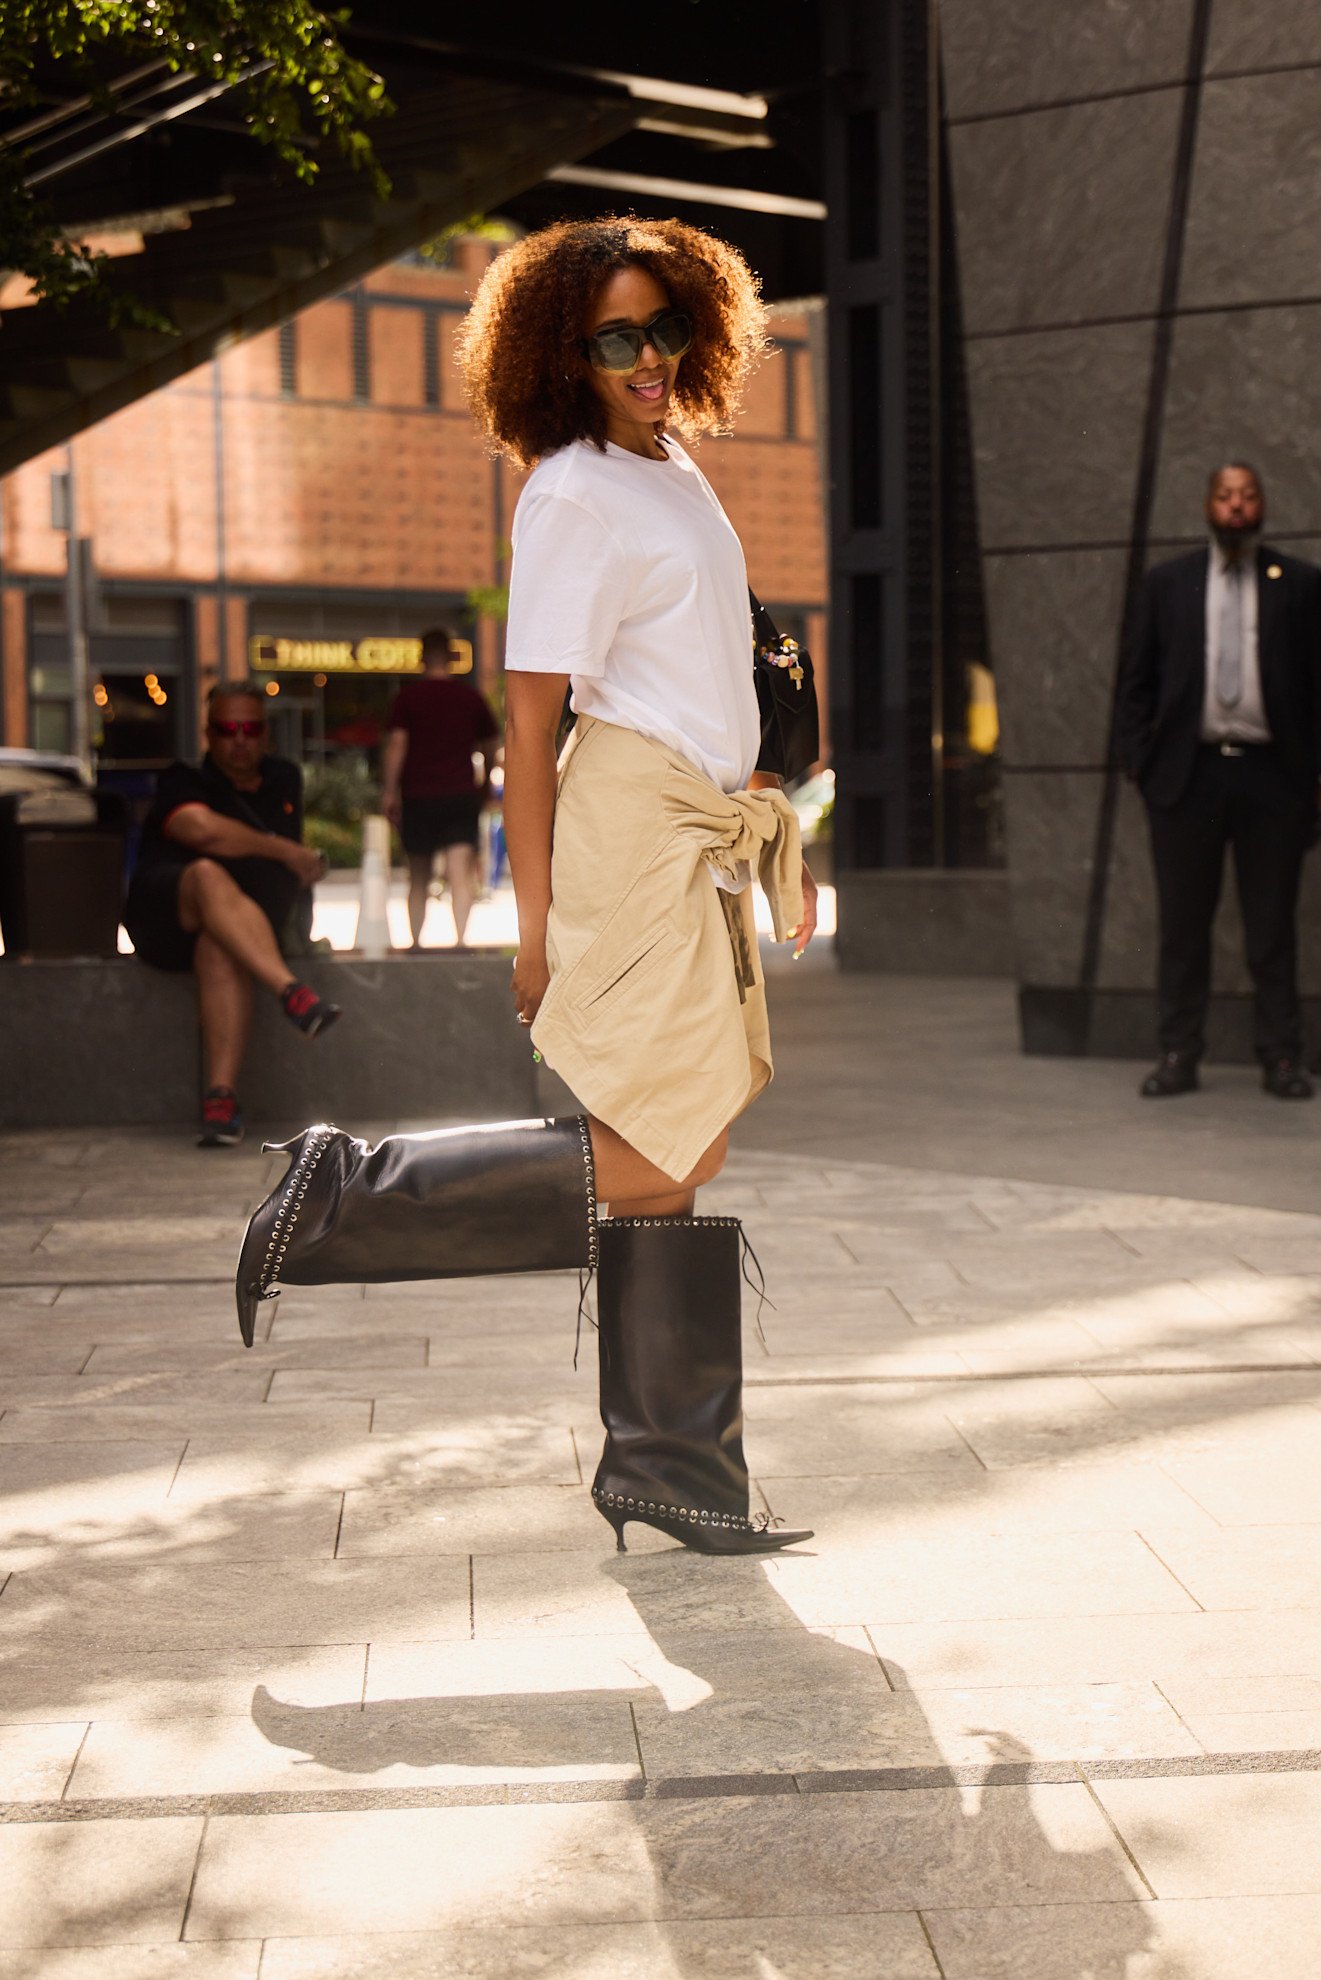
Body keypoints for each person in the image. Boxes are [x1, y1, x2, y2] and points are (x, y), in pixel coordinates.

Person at [236, 216, 818, 1556]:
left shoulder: (670, 462)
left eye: (666, 326)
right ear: (564, 350)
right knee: (670, 1139)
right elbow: (532, 707)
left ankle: (668, 1468)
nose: (650, 356)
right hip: (631, 832)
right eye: (617, 337)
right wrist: (534, 920)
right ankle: (348, 1194)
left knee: (691, 1141)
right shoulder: (568, 489)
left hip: (693, 830)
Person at [1116, 462, 1321, 1100]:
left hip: (1274, 778)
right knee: (1183, 926)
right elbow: (1134, 685)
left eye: (1247, 495)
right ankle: (1178, 1054)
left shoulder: (1302, 585)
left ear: (1262, 504)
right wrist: (1142, 766)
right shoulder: (1167, 584)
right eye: (1225, 495)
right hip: (1187, 778)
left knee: (1272, 927)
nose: (1236, 506)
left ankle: (1282, 1059)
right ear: (1208, 504)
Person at [124, 681, 340, 1146]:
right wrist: (283, 849)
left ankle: (221, 1102)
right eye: (226, 729)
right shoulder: (184, 779)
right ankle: (291, 991)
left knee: (218, 947)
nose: (239, 739)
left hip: (237, 928)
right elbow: (200, 831)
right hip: (166, 915)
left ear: (266, 735)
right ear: (209, 733)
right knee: (206, 874)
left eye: (249, 728)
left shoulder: (283, 779)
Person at [380, 627, 499, 949]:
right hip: (460, 793)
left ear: (421, 657)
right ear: (451, 657)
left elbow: (397, 745)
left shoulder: (408, 698)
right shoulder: (469, 698)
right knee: (460, 872)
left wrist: (390, 790)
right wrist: (486, 783)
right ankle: (460, 942)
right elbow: (490, 746)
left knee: (418, 875)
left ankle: (416, 943)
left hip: (419, 795)